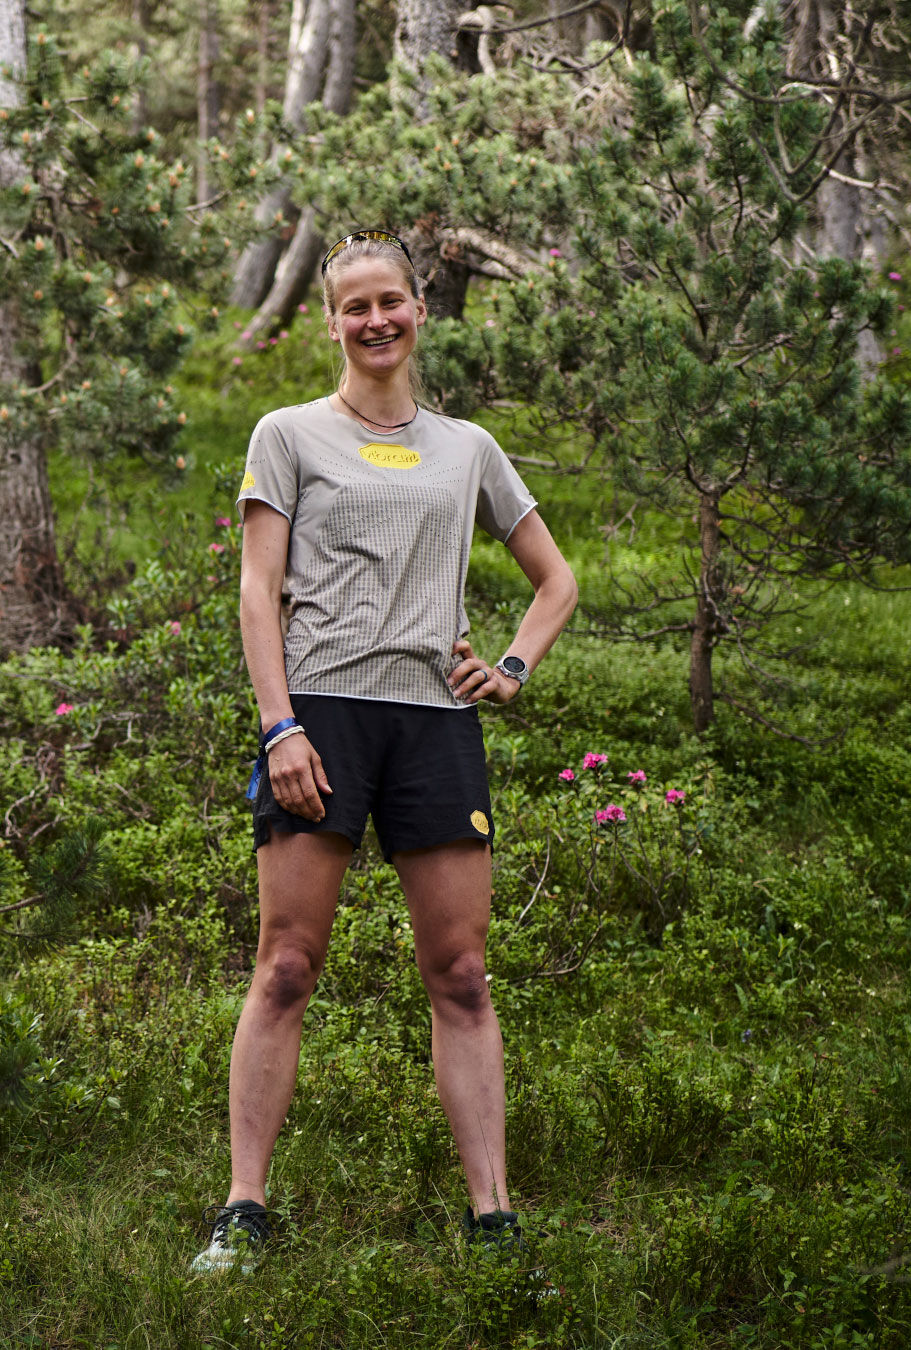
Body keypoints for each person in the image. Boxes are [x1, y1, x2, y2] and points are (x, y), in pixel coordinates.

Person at [192, 229, 579, 1275]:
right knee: (285, 968)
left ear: (420, 308)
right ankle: (242, 1210)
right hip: (322, 716)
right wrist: (280, 728)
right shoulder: (288, 435)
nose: (375, 321)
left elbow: (556, 580)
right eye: (353, 306)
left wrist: (512, 666)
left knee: (460, 973)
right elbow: (256, 592)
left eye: (391, 302)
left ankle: (493, 1218)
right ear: (329, 321)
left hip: (435, 724)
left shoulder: (469, 448)